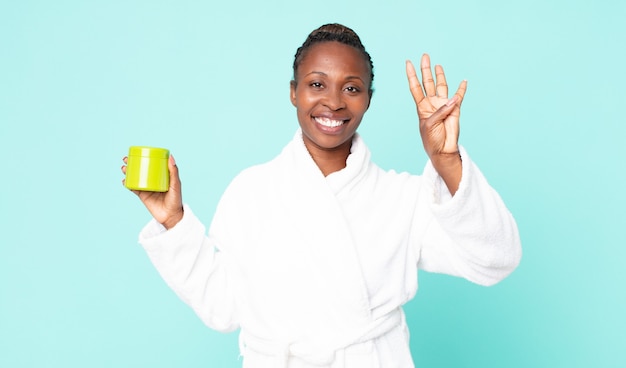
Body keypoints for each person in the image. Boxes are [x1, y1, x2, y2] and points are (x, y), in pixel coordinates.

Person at [121, 23, 521, 368]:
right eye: (316, 84)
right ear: (293, 92)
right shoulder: (252, 191)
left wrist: (447, 162)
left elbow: (495, 261)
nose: (333, 101)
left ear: (368, 99)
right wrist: (173, 223)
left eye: (352, 87)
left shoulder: (403, 197)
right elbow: (223, 309)